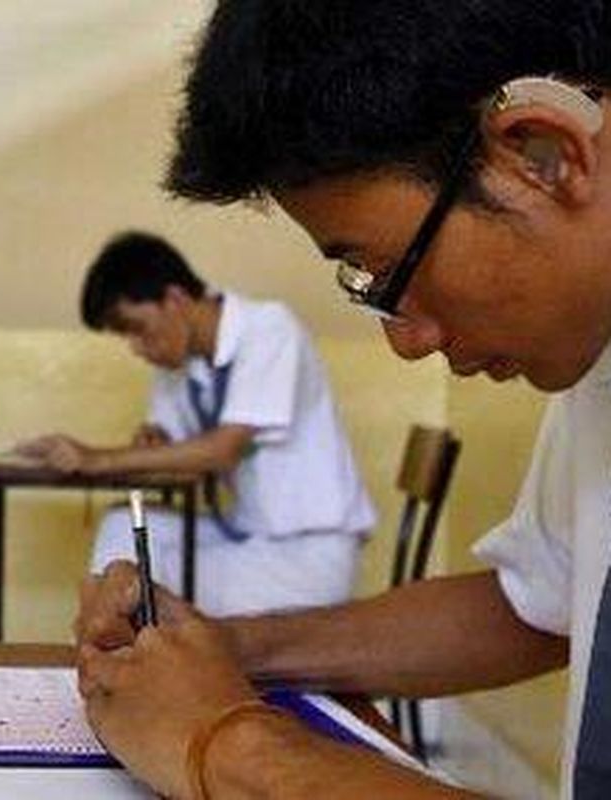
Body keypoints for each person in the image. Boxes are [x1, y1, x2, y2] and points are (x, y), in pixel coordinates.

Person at [74, 1, 611, 798]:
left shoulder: (265, 332)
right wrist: (231, 648)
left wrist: (228, 745)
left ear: (545, 153)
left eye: (387, 271)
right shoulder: (594, 362)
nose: (407, 341)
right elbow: (532, 603)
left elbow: (219, 450)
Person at [20, 232, 374, 616]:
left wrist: (95, 459)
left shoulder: (269, 329)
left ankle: (110, 645)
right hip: (247, 534)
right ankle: (112, 644)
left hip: (309, 556)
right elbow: (174, 452)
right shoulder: (179, 361)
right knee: (124, 526)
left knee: (142, 583)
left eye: (137, 328)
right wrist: (154, 441)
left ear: (174, 300)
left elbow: (222, 450)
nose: (136, 347)